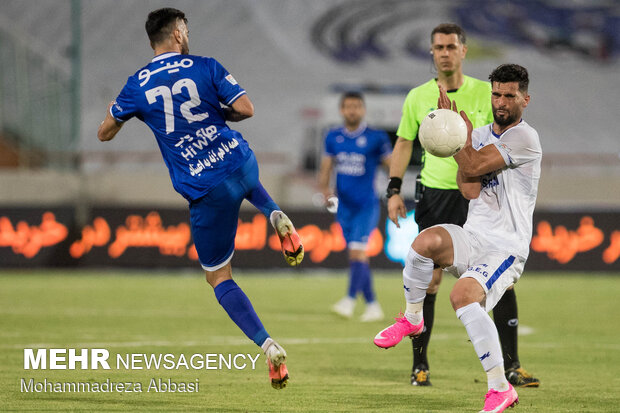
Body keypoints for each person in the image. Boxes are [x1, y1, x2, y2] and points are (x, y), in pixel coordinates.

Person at [97, 8, 304, 390]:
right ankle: (274, 214)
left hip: (204, 188)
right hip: (241, 163)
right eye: (186, 31)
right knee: (241, 173)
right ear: (177, 34)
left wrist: (134, 114)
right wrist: (214, 116)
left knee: (218, 277)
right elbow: (246, 109)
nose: (188, 36)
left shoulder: (137, 84)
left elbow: (104, 133)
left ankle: (269, 346)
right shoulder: (206, 65)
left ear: (151, 42)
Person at [375, 64, 540, 412]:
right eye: (496, 94)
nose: (501, 102)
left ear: (525, 99)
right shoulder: (478, 135)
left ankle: (500, 387)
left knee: (462, 295)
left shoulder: (525, 138)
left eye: (510, 96)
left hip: (505, 247)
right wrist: (455, 138)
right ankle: (413, 317)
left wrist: (459, 141)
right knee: (423, 243)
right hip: (474, 235)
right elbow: (469, 188)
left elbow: (476, 165)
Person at [318, 91, 392, 322]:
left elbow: (392, 165)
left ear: (363, 109)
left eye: (357, 106)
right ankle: (372, 305)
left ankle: (349, 300)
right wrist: (325, 190)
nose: (352, 110)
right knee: (358, 256)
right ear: (342, 110)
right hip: (345, 206)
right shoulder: (333, 137)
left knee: (357, 252)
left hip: (366, 204)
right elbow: (327, 166)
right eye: (348, 106)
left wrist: (395, 189)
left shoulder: (376, 137)